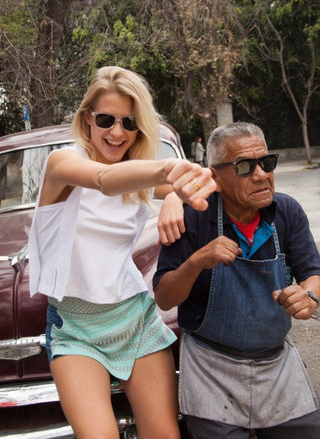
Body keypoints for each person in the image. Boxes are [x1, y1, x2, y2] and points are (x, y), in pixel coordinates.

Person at [28, 65, 216, 439]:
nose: (117, 132)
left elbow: (206, 189)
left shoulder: (138, 175)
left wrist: (174, 198)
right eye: (106, 119)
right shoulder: (63, 164)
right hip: (75, 327)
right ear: (87, 119)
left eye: (129, 123)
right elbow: (103, 181)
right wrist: (167, 173)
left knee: (164, 435)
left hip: (134, 318)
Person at [153, 121, 320, 439]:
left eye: (266, 162)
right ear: (214, 176)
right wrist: (198, 261)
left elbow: (313, 274)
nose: (260, 175)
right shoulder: (193, 217)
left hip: (276, 366)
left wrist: (308, 296)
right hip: (211, 369)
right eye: (244, 166)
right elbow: (164, 297)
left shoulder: (287, 212)